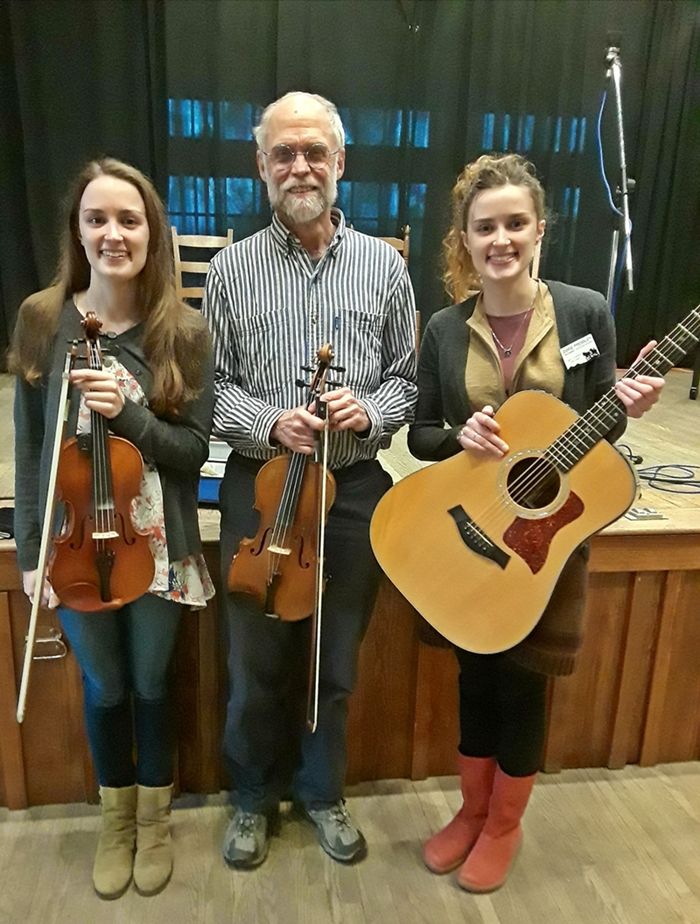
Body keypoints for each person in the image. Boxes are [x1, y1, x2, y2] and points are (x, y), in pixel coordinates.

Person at [408, 153, 664, 893]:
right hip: (471, 531)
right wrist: (458, 437)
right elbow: (422, 434)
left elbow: (601, 431)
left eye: (515, 223)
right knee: (474, 677)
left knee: (522, 685)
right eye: (485, 227)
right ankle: (470, 810)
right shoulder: (443, 330)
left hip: (549, 536)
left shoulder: (586, 313)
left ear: (539, 229)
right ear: (465, 237)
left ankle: (504, 825)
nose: (501, 239)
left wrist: (627, 406)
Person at [202, 91, 417, 868]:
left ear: (340, 163)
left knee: (335, 659)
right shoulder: (229, 270)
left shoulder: (385, 270)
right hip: (261, 489)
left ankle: (322, 793)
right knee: (256, 663)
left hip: (353, 491)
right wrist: (269, 423)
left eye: (314, 152)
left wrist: (369, 410)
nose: (301, 166)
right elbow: (212, 388)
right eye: (284, 153)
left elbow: (405, 382)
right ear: (261, 167)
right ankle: (252, 799)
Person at [9, 158, 214, 899]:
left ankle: (154, 822)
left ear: (152, 232)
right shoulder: (42, 319)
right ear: (77, 230)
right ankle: (116, 822)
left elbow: (192, 453)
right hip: (72, 544)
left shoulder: (183, 332)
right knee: (104, 688)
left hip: (159, 545)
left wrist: (125, 413)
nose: (113, 233)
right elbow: (32, 450)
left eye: (130, 219)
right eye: (97, 218)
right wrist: (32, 552)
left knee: (153, 684)